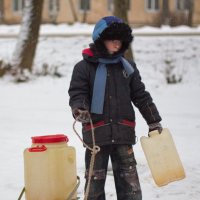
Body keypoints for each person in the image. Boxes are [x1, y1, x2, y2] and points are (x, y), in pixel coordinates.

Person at [68, 16, 162, 200]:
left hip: (123, 132)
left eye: (120, 40)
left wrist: (153, 120)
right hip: (96, 134)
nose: (117, 44)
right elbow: (78, 93)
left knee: (129, 184)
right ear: (100, 39)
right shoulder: (84, 67)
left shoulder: (128, 68)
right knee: (94, 185)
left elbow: (140, 95)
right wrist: (80, 108)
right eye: (112, 39)